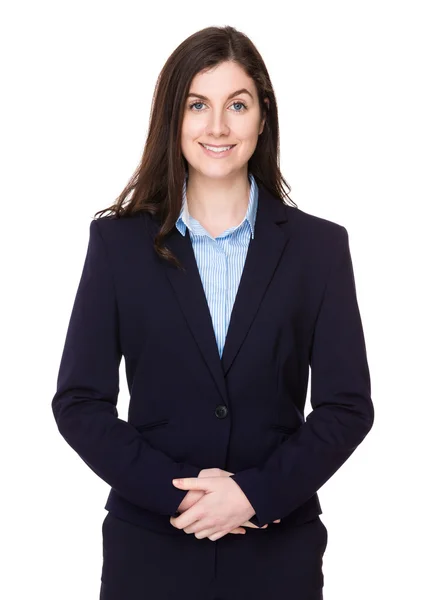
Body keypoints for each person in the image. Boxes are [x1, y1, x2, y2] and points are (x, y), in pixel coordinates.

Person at [51, 25, 374, 600]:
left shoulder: (320, 249)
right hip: (150, 549)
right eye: (198, 105)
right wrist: (181, 497)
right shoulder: (118, 245)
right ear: (173, 117)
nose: (218, 126)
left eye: (237, 105)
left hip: (277, 552)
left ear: (262, 116)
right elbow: (79, 403)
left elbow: (347, 408)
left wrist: (254, 494)